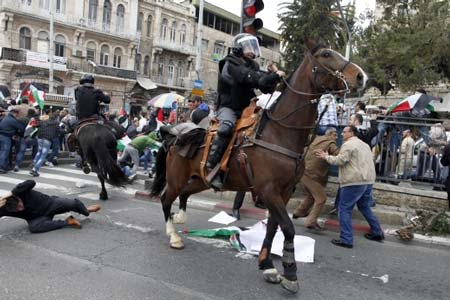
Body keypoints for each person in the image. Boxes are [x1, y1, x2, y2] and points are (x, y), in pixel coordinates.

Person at [207, 33, 285, 189]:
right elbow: (251, 78)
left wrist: (273, 76)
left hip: (246, 108)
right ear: (238, 48)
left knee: (265, 124)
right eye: (248, 47)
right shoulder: (230, 63)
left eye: (253, 47)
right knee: (226, 127)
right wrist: (273, 75)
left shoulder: (253, 66)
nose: (252, 50)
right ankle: (212, 166)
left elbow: (265, 87)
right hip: (228, 107)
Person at [316, 125, 384, 248]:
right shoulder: (365, 145)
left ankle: (346, 239)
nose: (342, 134)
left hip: (353, 181)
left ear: (352, 133)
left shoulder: (348, 145)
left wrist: (325, 157)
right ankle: (377, 232)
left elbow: (340, 161)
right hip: (367, 180)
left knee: (344, 209)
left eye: (344, 132)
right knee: (364, 207)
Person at [0, 180, 101, 233]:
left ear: (18, 198)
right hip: (38, 218)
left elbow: (31, 182)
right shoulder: (6, 208)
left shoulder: (21, 191)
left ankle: (86, 210)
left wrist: (11, 192)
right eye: (17, 210)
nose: (20, 209)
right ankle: (67, 221)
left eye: (19, 205)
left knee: (73, 204)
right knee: (34, 228)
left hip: (51, 204)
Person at [292, 128, 339, 231]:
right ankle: (311, 222)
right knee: (321, 199)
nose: (337, 137)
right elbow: (338, 155)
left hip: (303, 172)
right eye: (335, 135)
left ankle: (299, 212)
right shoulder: (330, 143)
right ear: (330, 135)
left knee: (311, 195)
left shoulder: (316, 139)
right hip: (313, 175)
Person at [30, 109, 60, 177]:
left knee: (39, 151)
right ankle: (35, 169)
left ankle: (34, 161)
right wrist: (65, 130)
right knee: (43, 155)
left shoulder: (43, 121)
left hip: (40, 138)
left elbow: (35, 125)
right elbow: (58, 131)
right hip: (48, 139)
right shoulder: (56, 123)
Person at [0, 108, 25, 173]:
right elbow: (21, 128)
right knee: (5, 152)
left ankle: (4, 166)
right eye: (17, 114)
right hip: (6, 137)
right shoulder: (13, 120)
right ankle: (1, 167)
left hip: (1, 135)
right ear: (15, 113)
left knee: (2, 151)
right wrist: (17, 133)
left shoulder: (5, 118)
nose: (17, 116)